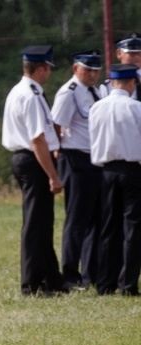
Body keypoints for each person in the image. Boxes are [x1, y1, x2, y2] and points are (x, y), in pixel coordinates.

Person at [1, 45, 66, 296]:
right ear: (41, 68)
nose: (49, 73)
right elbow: (38, 139)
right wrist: (53, 175)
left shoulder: (21, 91)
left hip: (29, 159)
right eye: (48, 68)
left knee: (42, 221)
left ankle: (52, 280)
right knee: (35, 224)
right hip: (33, 160)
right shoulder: (30, 95)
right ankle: (32, 283)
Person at [50, 50, 103, 290]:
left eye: (95, 70)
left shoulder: (98, 91)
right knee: (76, 219)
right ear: (75, 69)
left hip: (94, 159)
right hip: (75, 159)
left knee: (95, 219)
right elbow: (57, 126)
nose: (92, 74)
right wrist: (58, 155)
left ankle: (91, 274)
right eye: (87, 69)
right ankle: (70, 274)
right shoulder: (68, 93)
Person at [89, 64, 141, 296]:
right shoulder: (137, 108)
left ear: (111, 82)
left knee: (108, 227)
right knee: (133, 228)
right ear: (132, 83)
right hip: (132, 169)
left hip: (106, 171)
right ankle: (128, 284)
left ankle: (105, 283)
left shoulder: (97, 108)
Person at [99, 32, 141, 99]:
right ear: (119, 54)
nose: (136, 57)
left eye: (139, 53)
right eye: (131, 53)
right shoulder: (108, 86)